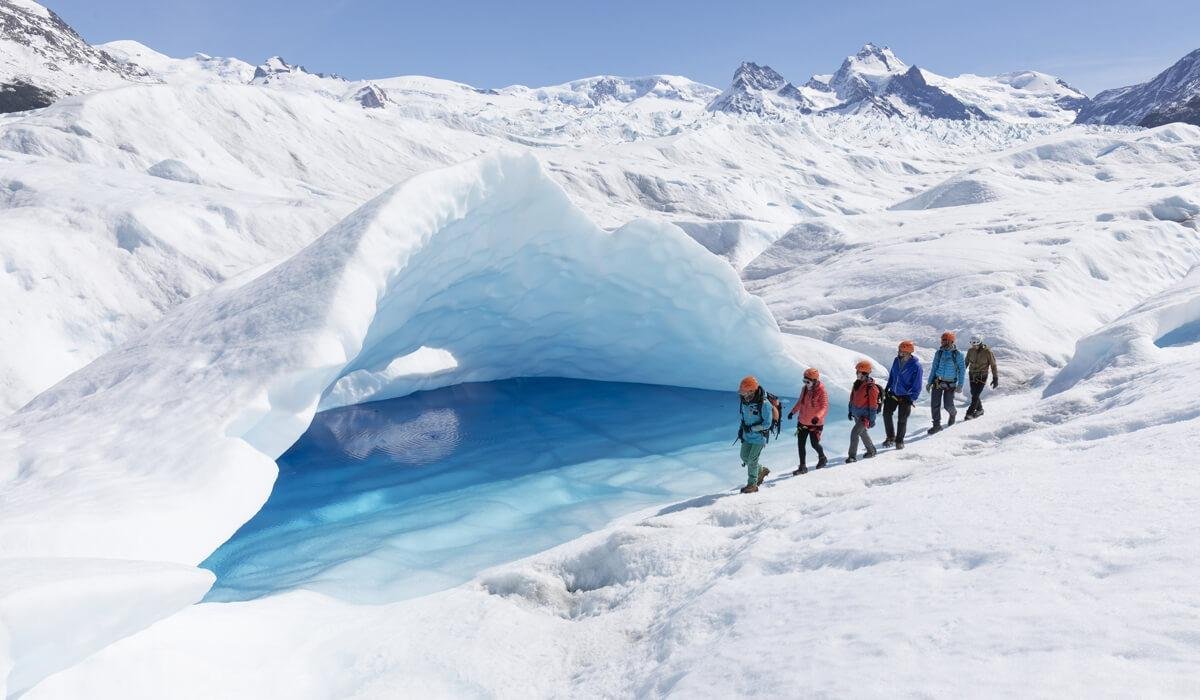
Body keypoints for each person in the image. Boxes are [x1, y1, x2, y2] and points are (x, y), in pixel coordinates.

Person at [736, 375, 777, 493]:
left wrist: (753, 428)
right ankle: (761, 470)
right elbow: (744, 418)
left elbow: (767, 424)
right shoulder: (745, 401)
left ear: (751, 391)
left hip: (759, 437)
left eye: (743, 392)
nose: (741, 394)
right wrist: (741, 430)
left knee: (752, 460)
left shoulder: (764, 404)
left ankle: (752, 484)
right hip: (747, 435)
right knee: (744, 457)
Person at [882, 340, 923, 450]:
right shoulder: (896, 360)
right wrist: (887, 388)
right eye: (899, 350)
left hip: (906, 396)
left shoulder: (916, 366)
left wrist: (912, 398)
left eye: (901, 350)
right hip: (893, 393)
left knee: (902, 419)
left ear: (908, 352)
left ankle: (899, 440)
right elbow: (892, 375)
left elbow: (917, 384)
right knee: (886, 413)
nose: (899, 352)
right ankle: (890, 437)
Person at [787, 368, 828, 474]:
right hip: (802, 421)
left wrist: (817, 417)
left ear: (814, 381)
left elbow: (824, 406)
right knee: (801, 444)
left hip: (815, 424)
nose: (806, 384)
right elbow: (800, 402)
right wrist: (793, 412)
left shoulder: (822, 390)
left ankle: (822, 457)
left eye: (808, 382)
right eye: (804, 381)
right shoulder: (804, 389)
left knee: (814, 444)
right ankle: (802, 467)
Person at [927, 331, 966, 434]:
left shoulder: (958, 354)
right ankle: (936, 425)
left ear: (951, 341)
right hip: (938, 382)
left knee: (948, 405)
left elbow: (962, 371)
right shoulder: (939, 353)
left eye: (945, 340)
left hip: (951, 384)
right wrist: (929, 382)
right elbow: (934, 368)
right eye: (942, 340)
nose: (942, 342)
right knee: (935, 404)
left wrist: (960, 385)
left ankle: (953, 414)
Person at [846, 360, 880, 463]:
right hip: (856, 414)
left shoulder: (871, 387)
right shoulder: (857, 384)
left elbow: (873, 405)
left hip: (864, 417)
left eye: (858, 372)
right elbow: (852, 398)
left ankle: (852, 456)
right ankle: (871, 450)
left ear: (865, 373)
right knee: (862, 433)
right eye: (857, 372)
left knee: (854, 433)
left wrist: (872, 419)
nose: (857, 374)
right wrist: (850, 411)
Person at [965, 336, 999, 419]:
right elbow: (966, 362)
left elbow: (993, 365)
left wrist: (995, 378)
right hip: (972, 375)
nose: (973, 347)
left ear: (979, 343)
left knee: (976, 395)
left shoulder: (987, 352)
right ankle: (980, 409)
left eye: (975, 345)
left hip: (982, 376)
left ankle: (970, 413)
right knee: (974, 393)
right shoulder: (970, 351)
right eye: (972, 345)